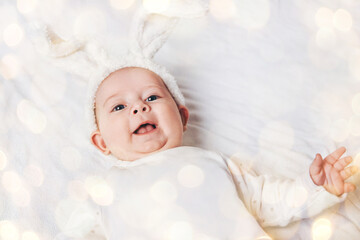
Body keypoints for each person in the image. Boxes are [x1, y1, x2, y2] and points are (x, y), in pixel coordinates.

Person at [65, 65, 355, 240]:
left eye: (152, 97)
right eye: (119, 106)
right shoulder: (102, 191)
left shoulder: (212, 163)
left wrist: (314, 186)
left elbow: (271, 203)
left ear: (182, 116)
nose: (139, 107)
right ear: (101, 142)